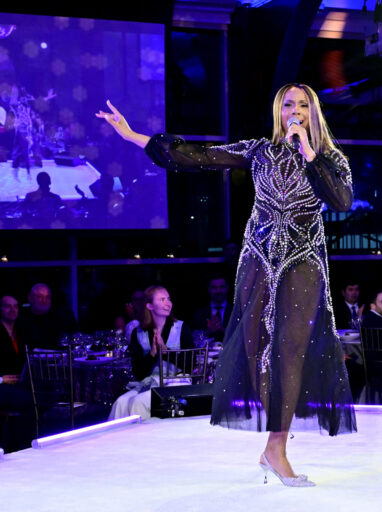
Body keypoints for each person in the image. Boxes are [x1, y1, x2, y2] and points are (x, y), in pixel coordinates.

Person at [97, 83, 356, 487]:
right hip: (260, 255)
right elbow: (196, 156)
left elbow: (341, 200)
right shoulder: (258, 150)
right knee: (258, 349)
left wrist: (308, 152)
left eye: (303, 105)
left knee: (292, 349)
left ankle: (276, 447)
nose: (295, 111)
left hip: (304, 256)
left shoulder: (328, 157)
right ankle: (275, 444)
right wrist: (134, 136)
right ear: (278, 111)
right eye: (288, 104)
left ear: (313, 111)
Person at [109, 286, 194, 421]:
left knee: (139, 402)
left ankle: (141, 440)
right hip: (150, 383)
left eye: (168, 299)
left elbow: (190, 365)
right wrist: (152, 354)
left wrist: (165, 352)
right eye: (162, 299)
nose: (168, 303)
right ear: (149, 305)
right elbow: (138, 373)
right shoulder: (139, 332)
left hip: (177, 382)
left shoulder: (181, 328)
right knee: (121, 403)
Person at [0, 294, 35, 452]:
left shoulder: (21, 330)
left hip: (19, 382)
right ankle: (21, 447)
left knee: (39, 395)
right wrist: (1, 379)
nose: (12, 310)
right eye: (8, 306)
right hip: (2, 384)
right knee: (27, 400)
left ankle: (24, 444)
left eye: (15, 306)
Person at [16, 283, 77, 350]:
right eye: (39, 297)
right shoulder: (21, 320)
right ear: (30, 298)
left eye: (47, 297)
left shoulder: (61, 318)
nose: (44, 301)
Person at [192, 276, 232, 342]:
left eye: (222, 287)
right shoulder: (200, 314)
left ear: (227, 288)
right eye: (214, 287)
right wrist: (208, 332)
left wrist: (223, 330)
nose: (218, 291)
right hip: (206, 351)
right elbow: (194, 338)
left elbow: (242, 335)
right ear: (209, 289)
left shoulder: (235, 312)